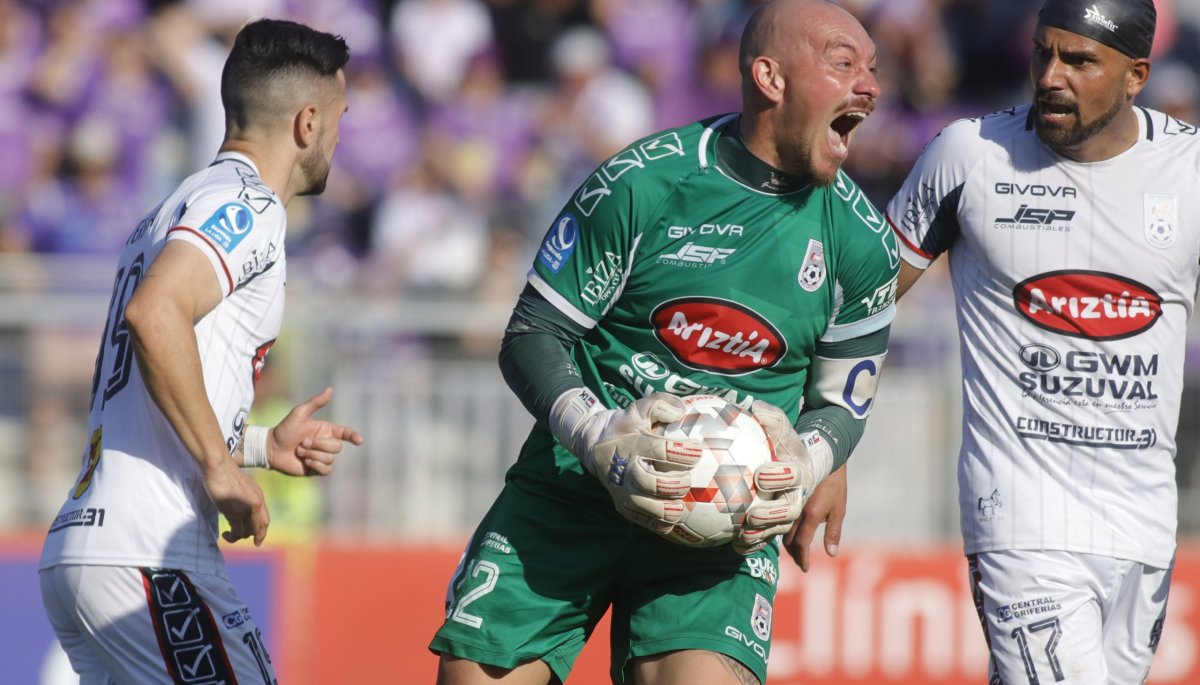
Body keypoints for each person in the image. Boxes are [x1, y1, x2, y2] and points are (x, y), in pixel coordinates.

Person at [430, 1, 898, 683]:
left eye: (874, 69)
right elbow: (534, 330)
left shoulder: (861, 243)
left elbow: (843, 403)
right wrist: (598, 437)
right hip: (571, 488)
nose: (871, 87)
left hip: (723, 531)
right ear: (771, 77)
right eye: (844, 63)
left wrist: (808, 461)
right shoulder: (643, 184)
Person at [38, 19, 363, 684]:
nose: (338, 136)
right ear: (307, 121)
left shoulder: (172, 207)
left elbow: (149, 375)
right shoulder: (245, 206)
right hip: (149, 553)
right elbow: (155, 314)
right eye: (339, 118)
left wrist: (256, 446)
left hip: (96, 546)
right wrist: (220, 464)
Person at [885, 0, 1180, 682]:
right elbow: (863, 302)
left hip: (1143, 524)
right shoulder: (970, 155)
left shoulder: (1188, 174)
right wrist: (825, 438)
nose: (1051, 76)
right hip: (1021, 517)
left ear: (1136, 74)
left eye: (1078, 60)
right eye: (1043, 53)